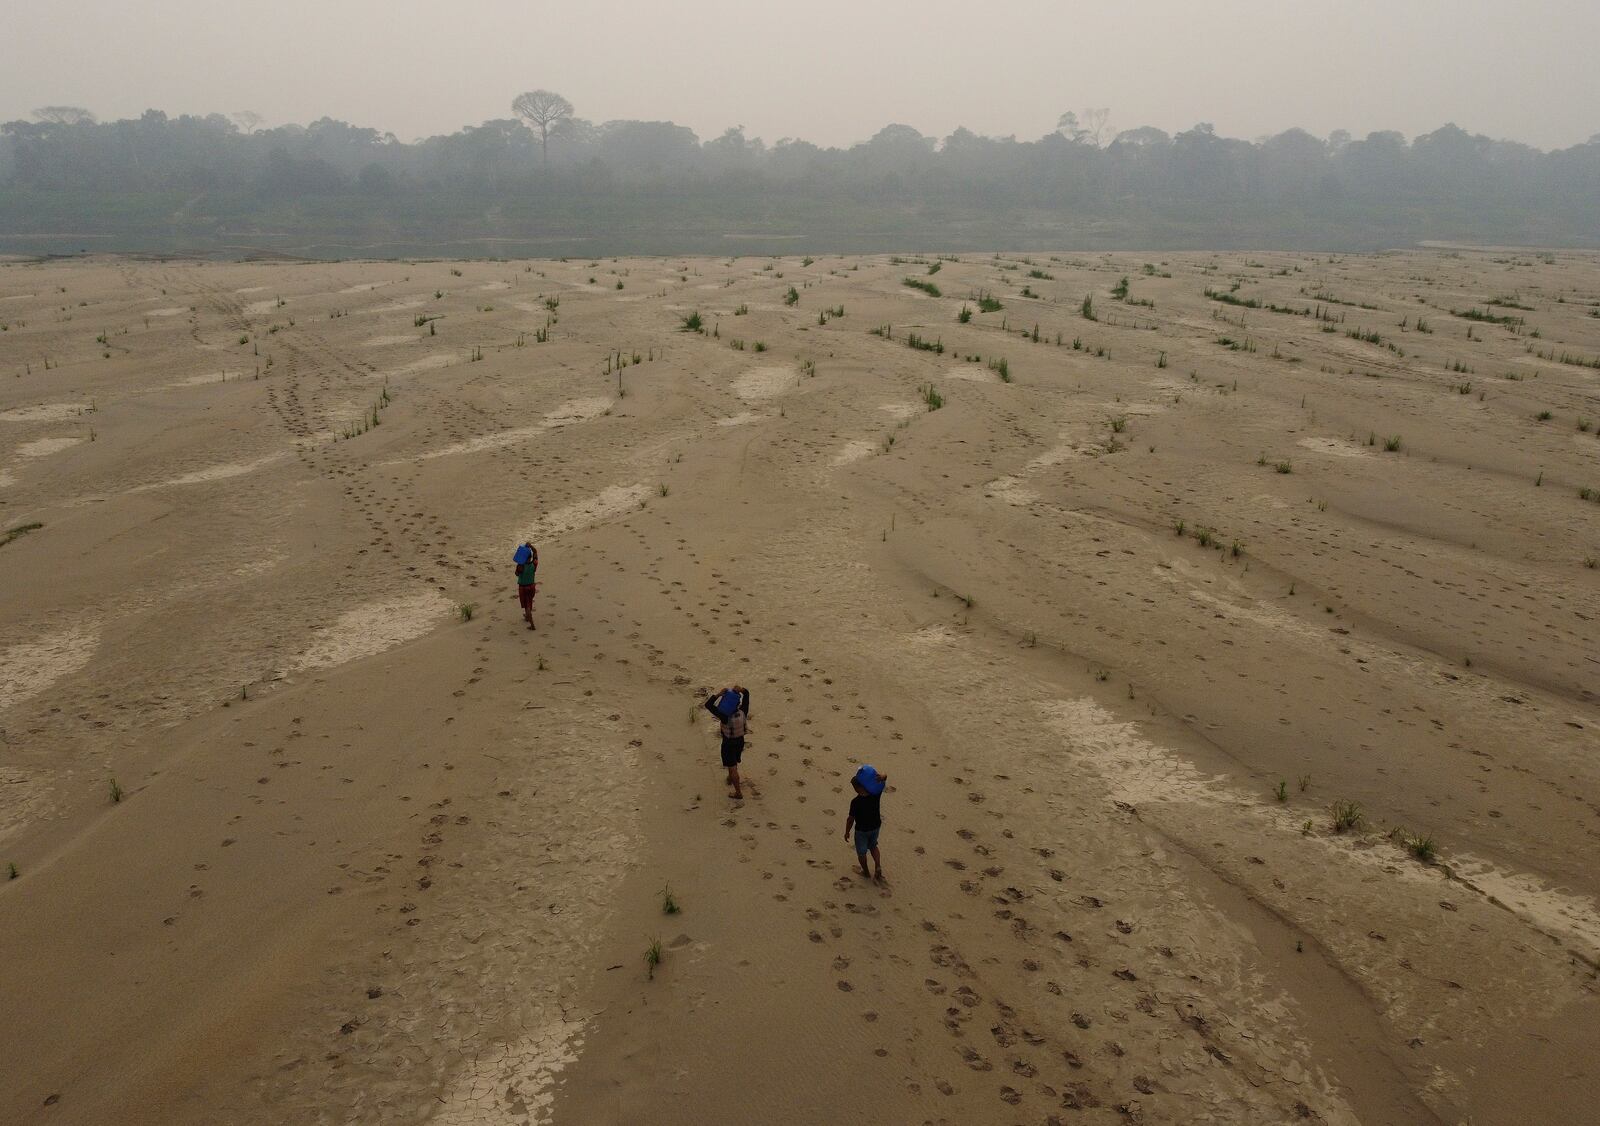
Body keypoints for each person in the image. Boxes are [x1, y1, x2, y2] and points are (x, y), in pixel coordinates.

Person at [704, 684, 750, 799]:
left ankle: (738, 793)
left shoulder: (724, 716)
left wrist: (719, 694)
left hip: (728, 743)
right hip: (740, 741)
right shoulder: (743, 711)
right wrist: (742, 690)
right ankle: (730, 777)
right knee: (734, 762)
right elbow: (747, 695)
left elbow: (708, 705)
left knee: (732, 766)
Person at [843, 765, 888, 882]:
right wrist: (882, 776)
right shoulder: (875, 795)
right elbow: (884, 777)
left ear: (858, 789)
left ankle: (866, 872)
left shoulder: (855, 802)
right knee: (873, 846)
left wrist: (847, 832)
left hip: (862, 831)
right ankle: (878, 866)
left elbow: (850, 819)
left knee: (862, 853)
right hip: (875, 826)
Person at [513, 542, 538, 630]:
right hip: (531, 586)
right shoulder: (534, 564)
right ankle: (527, 616)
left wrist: (519, 565)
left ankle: (531, 624)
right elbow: (535, 552)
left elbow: (516, 574)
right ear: (530, 557)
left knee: (526, 605)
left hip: (523, 587)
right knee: (529, 602)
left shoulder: (520, 566)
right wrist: (531, 545)